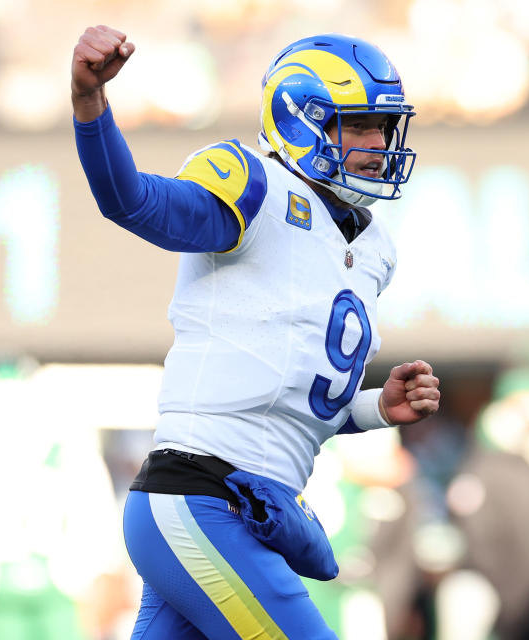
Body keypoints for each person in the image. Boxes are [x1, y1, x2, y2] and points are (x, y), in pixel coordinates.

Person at [70, 24, 441, 640]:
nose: (379, 144)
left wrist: (375, 407)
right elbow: (131, 201)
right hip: (200, 496)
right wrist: (90, 103)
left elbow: (290, 399)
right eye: (361, 126)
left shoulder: (375, 248)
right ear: (303, 119)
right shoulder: (254, 184)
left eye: (384, 127)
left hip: (248, 508)